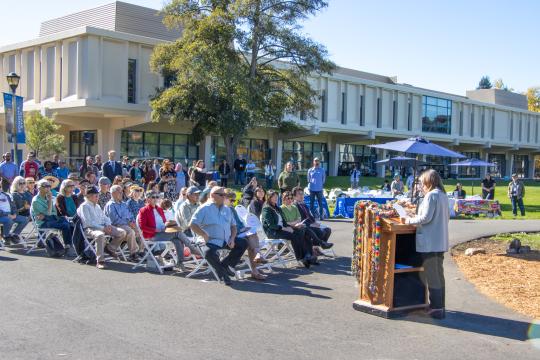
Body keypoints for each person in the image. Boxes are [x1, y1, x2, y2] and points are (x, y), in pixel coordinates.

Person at [400, 169, 449, 319]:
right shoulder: (442, 195)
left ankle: (436, 308)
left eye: (421, 182)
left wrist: (408, 220)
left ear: (428, 181)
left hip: (430, 241)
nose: (420, 185)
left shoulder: (431, 196)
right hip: (439, 241)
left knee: (432, 275)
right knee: (438, 275)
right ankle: (439, 305)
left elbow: (426, 218)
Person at [189, 187, 248, 285]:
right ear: (212, 195)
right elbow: (192, 224)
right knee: (208, 252)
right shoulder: (204, 208)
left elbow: (233, 226)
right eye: (221, 195)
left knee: (243, 243)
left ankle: (225, 266)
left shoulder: (227, 209)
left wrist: (232, 238)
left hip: (225, 240)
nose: (224, 196)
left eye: (225, 195)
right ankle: (223, 273)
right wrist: (203, 234)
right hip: (209, 240)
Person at [261, 190, 314, 268]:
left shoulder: (277, 208)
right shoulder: (266, 209)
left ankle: (307, 254)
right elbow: (271, 225)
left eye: (276, 197)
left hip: (282, 229)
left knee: (301, 230)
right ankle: (301, 258)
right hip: (273, 232)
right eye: (273, 197)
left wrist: (290, 227)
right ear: (269, 198)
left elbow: (283, 221)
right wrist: (284, 228)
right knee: (293, 236)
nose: (276, 198)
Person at [77, 186, 127, 269]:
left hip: (103, 227)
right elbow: (88, 222)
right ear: (88, 196)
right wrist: (102, 228)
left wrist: (108, 225)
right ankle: (100, 261)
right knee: (100, 235)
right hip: (89, 229)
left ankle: (110, 248)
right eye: (95, 196)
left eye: (98, 195)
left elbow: (105, 217)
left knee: (122, 232)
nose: (97, 197)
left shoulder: (97, 206)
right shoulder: (84, 206)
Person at [224, 189, 267, 280]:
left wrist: (244, 228)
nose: (233, 203)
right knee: (251, 237)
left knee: (251, 238)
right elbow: (228, 226)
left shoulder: (231, 209)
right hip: (231, 235)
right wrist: (241, 230)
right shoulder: (222, 210)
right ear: (225, 198)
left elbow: (239, 222)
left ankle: (255, 267)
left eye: (234, 201)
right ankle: (257, 260)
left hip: (239, 232)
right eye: (231, 200)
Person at [138, 191, 186, 271]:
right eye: (153, 197)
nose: (155, 199)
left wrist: (168, 225)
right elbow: (142, 227)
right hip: (152, 235)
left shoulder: (159, 209)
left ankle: (180, 263)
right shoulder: (143, 210)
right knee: (177, 232)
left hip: (163, 233)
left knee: (177, 240)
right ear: (147, 199)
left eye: (157, 197)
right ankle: (192, 248)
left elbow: (164, 222)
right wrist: (155, 230)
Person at [31, 179, 74, 249]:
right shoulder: (36, 200)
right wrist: (50, 200)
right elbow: (48, 213)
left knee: (68, 223)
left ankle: (69, 244)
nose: (48, 188)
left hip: (51, 219)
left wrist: (47, 214)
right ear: (39, 188)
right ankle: (68, 245)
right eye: (45, 186)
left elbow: (54, 212)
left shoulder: (49, 197)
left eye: (49, 186)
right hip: (42, 223)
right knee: (65, 225)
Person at [104, 185, 141, 261]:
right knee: (130, 232)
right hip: (115, 226)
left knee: (139, 230)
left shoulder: (123, 204)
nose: (122, 193)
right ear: (113, 193)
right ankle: (134, 253)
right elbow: (114, 220)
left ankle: (142, 251)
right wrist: (128, 223)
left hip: (126, 225)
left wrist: (133, 222)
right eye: (119, 192)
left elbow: (130, 215)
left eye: (122, 192)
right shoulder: (110, 205)